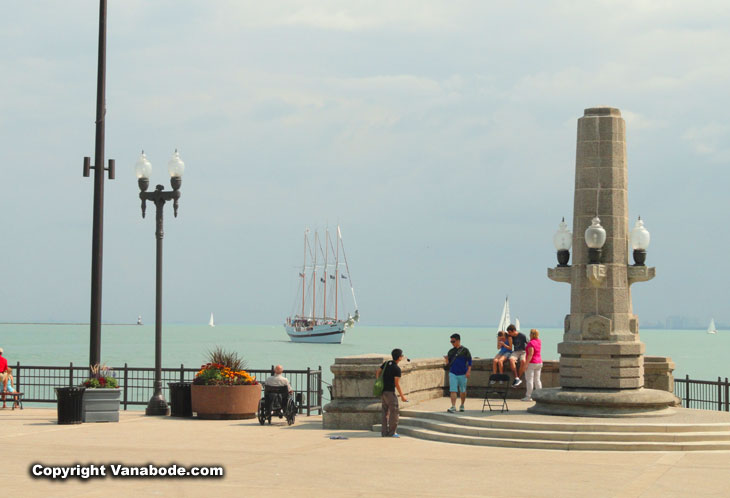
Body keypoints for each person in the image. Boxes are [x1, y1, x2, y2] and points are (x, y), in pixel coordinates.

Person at [376, 348, 407, 437]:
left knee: (385, 412)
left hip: (383, 392)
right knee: (394, 413)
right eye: (402, 355)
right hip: (390, 392)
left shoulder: (386, 363)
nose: (402, 357)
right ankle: (392, 432)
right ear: (399, 357)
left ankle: (384, 432)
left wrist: (378, 381)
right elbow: (396, 384)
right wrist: (402, 396)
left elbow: (378, 371)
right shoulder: (397, 369)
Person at [444, 333, 472, 413]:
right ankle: (453, 406)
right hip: (453, 373)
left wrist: (468, 371)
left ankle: (462, 405)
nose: (452, 343)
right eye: (451, 342)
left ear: (458, 340)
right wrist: (446, 359)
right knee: (453, 390)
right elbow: (448, 364)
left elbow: (469, 361)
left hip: (463, 373)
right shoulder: (451, 351)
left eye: (453, 341)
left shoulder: (465, 350)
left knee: (463, 391)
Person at [522, 329, 543, 401]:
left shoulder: (531, 343)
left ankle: (529, 396)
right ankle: (540, 395)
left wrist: (525, 364)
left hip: (532, 363)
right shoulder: (539, 341)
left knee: (529, 380)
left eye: (530, 333)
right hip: (539, 362)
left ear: (531, 334)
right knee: (537, 380)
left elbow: (530, 354)